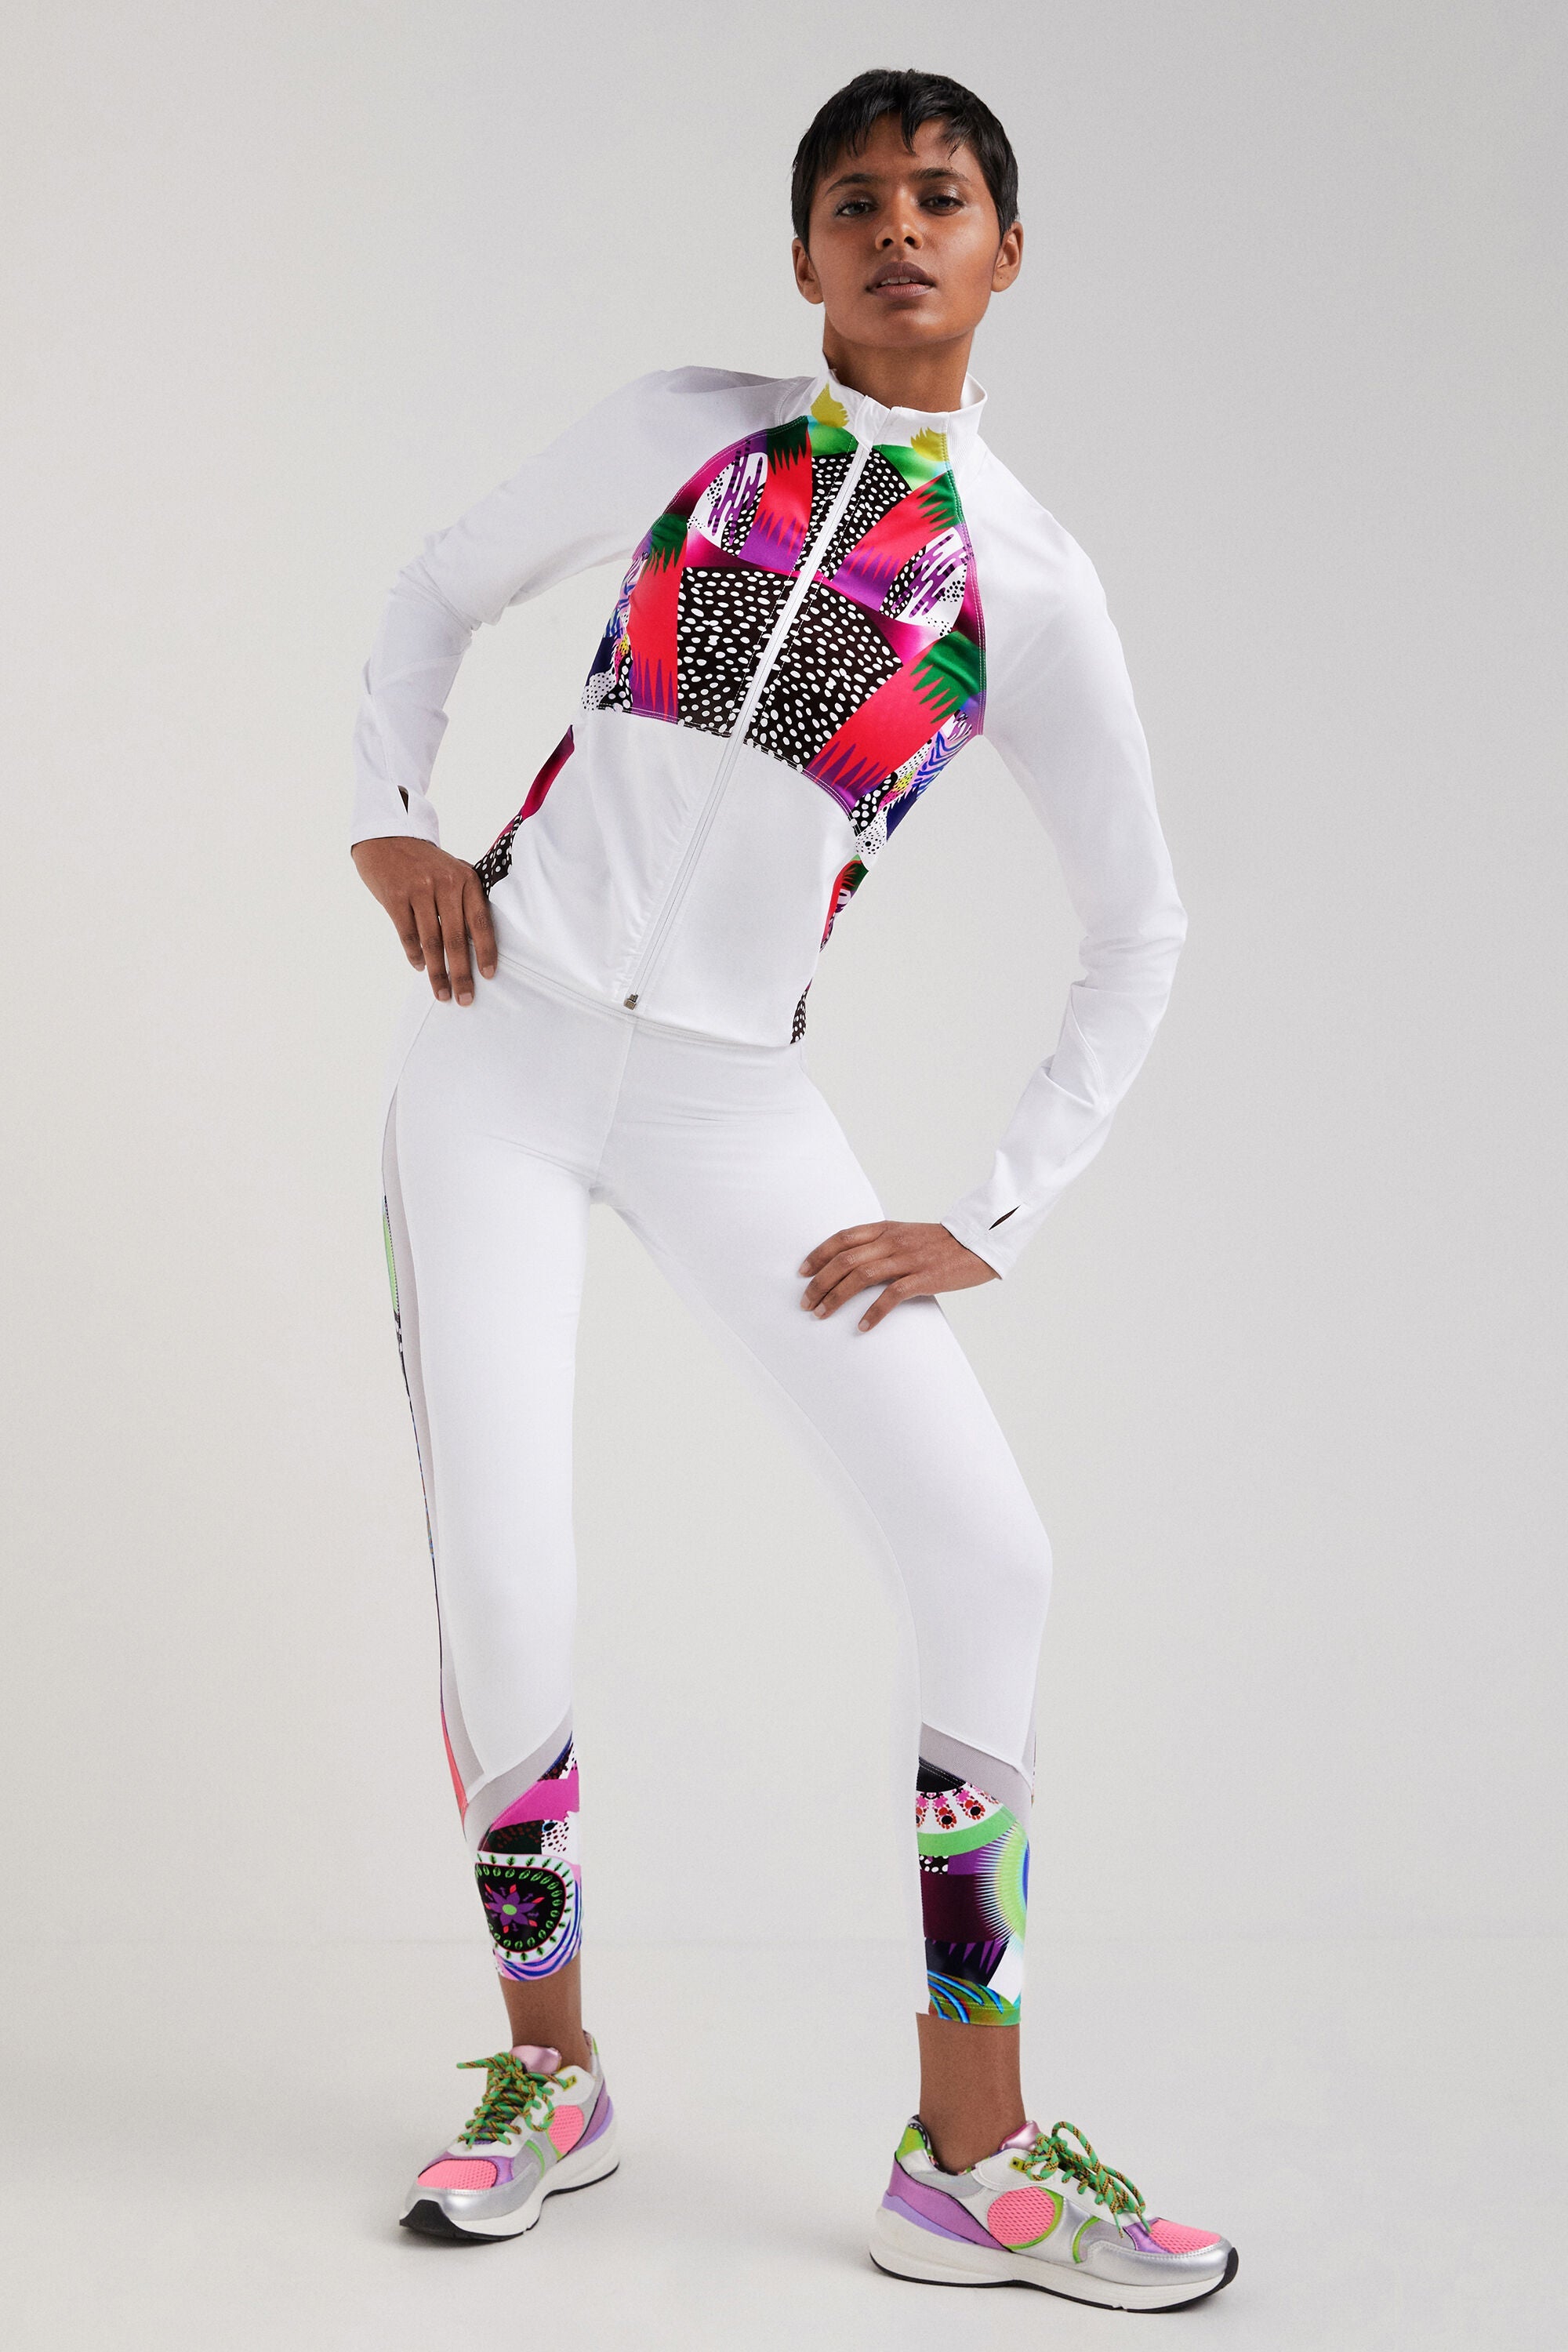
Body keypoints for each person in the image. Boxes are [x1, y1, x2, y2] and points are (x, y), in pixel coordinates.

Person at [350, 67, 1236, 2309]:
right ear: (806, 255)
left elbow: (1140, 925)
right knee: (509, 1572)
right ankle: (549, 2076)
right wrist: (387, 812)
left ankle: (971, 2149)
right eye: (857, 200)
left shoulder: (1024, 580)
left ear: (1007, 249)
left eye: (942, 197)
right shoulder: (690, 432)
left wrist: (996, 1211)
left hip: (740, 1106)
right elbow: (442, 584)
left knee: (991, 1553)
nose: (899, 228)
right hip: (501, 1051)